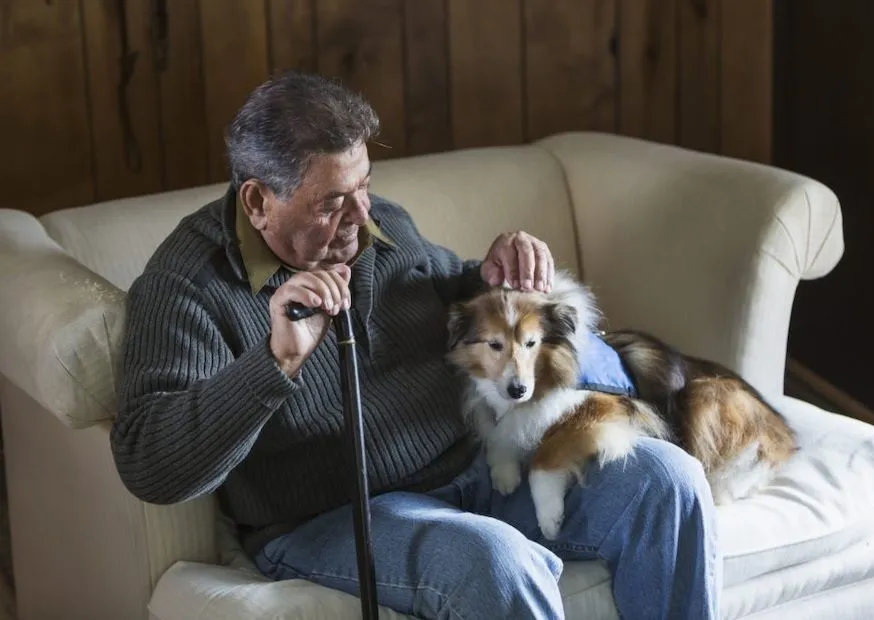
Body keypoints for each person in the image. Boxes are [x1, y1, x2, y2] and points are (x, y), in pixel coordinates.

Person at [112, 71, 719, 620]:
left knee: (669, 480)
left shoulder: (379, 227)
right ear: (257, 201)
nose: (360, 216)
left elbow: (447, 288)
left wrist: (496, 273)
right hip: (335, 516)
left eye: (364, 187)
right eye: (330, 203)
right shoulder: (185, 288)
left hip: (469, 470)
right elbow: (150, 462)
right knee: (495, 561)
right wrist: (276, 362)